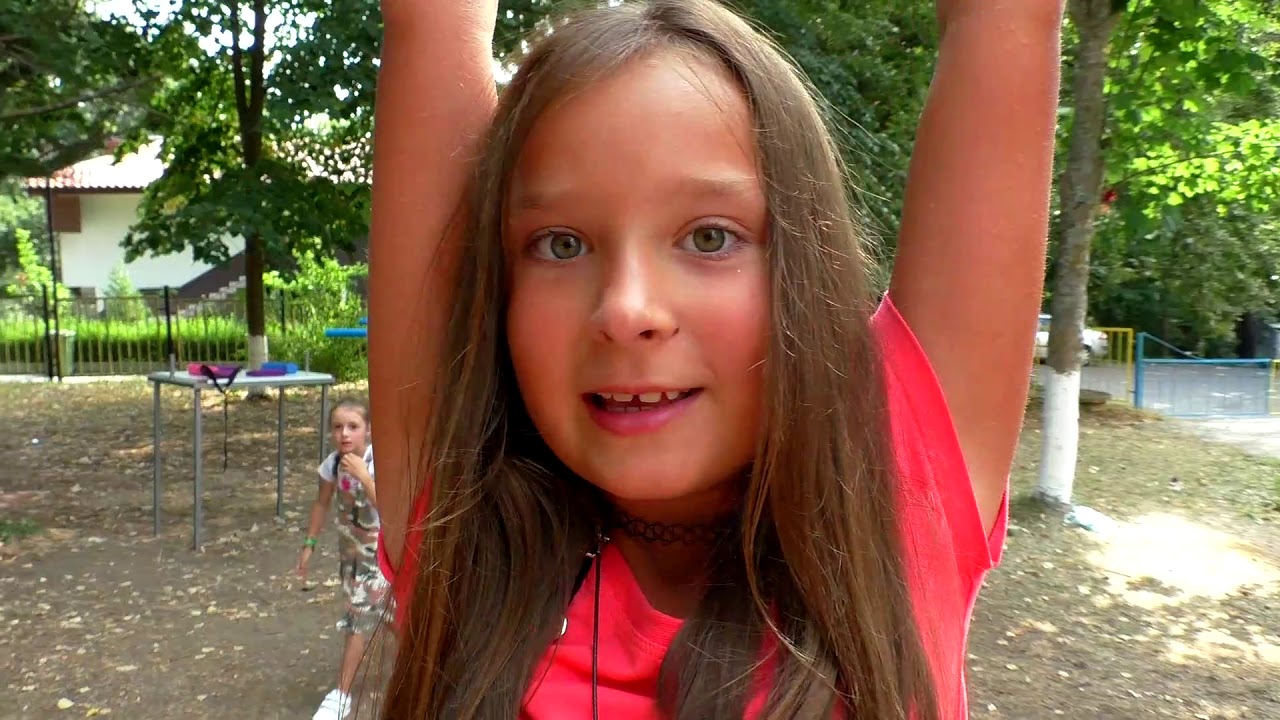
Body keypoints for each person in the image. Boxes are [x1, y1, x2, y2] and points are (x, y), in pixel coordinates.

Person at [368, 0, 1063, 717]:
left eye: (709, 237)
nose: (626, 311)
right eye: (561, 244)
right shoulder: (464, 533)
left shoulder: (890, 493)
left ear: (804, 266)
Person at [296, 399, 386, 720]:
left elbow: (390, 507)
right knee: (385, 617)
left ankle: (341, 695)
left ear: (368, 430)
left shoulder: (378, 464)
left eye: (353, 427)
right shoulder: (332, 465)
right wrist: (310, 543)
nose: (344, 434)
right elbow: (321, 503)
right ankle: (433, 669)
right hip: (351, 556)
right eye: (337, 427)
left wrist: (364, 476)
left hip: (381, 557)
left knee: (359, 618)